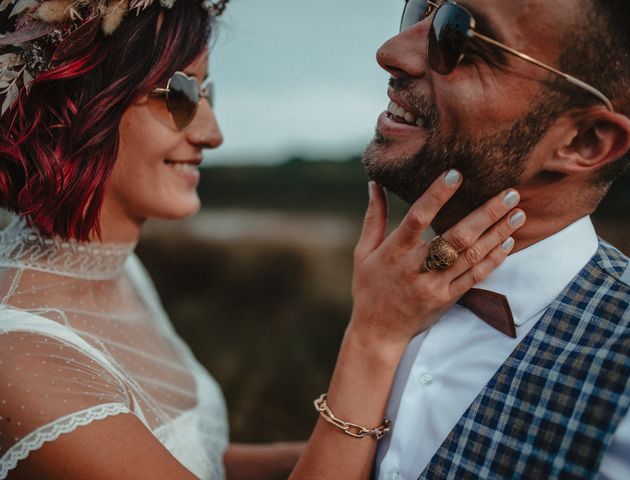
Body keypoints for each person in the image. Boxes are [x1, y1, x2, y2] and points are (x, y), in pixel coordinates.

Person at [0, 0, 526, 479]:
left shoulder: (122, 271)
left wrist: (403, 462)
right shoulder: (19, 364)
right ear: (73, 106)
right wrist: (376, 336)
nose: (213, 133)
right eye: (180, 94)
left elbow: (189, 460)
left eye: (207, 92)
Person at [356, 1, 630, 479]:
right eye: (420, 10)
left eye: (456, 35)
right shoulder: (389, 289)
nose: (391, 53)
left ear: (584, 142)